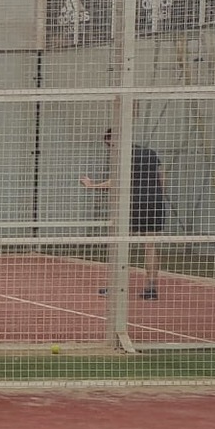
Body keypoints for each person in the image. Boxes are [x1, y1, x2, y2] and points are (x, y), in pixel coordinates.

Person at [81, 127, 167, 300]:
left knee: (120, 244)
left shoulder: (124, 156)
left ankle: (115, 286)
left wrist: (92, 186)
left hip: (135, 203)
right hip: (155, 203)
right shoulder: (149, 153)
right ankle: (151, 288)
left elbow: (117, 181)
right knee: (150, 246)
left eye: (110, 144)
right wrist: (156, 196)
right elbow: (162, 178)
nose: (110, 149)